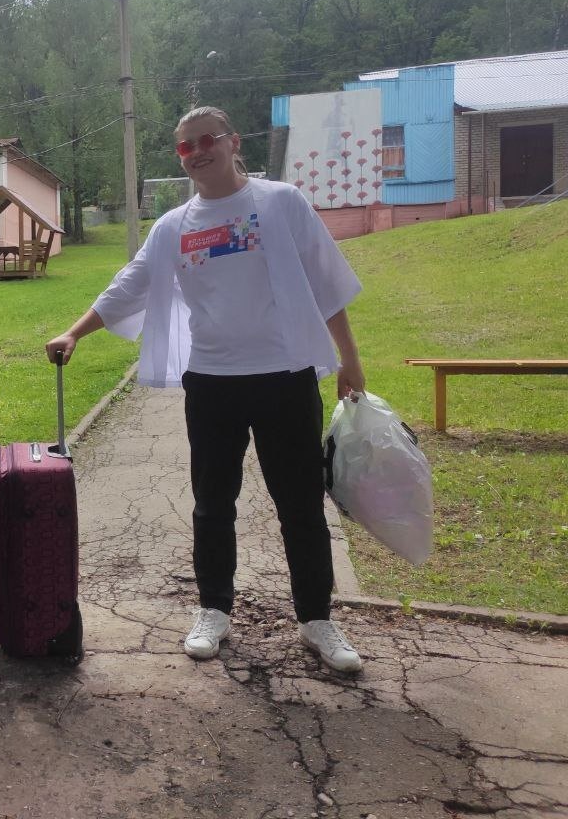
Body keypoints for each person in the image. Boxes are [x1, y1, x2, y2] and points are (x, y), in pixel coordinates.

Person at [45, 106, 367, 674]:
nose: (197, 152)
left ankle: (317, 618)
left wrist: (350, 359)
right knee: (212, 504)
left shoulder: (282, 202)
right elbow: (130, 284)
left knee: (299, 503)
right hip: (213, 382)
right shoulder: (174, 226)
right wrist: (74, 331)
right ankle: (214, 609)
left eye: (206, 140)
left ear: (233, 141)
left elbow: (326, 281)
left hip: (285, 377)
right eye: (185, 146)